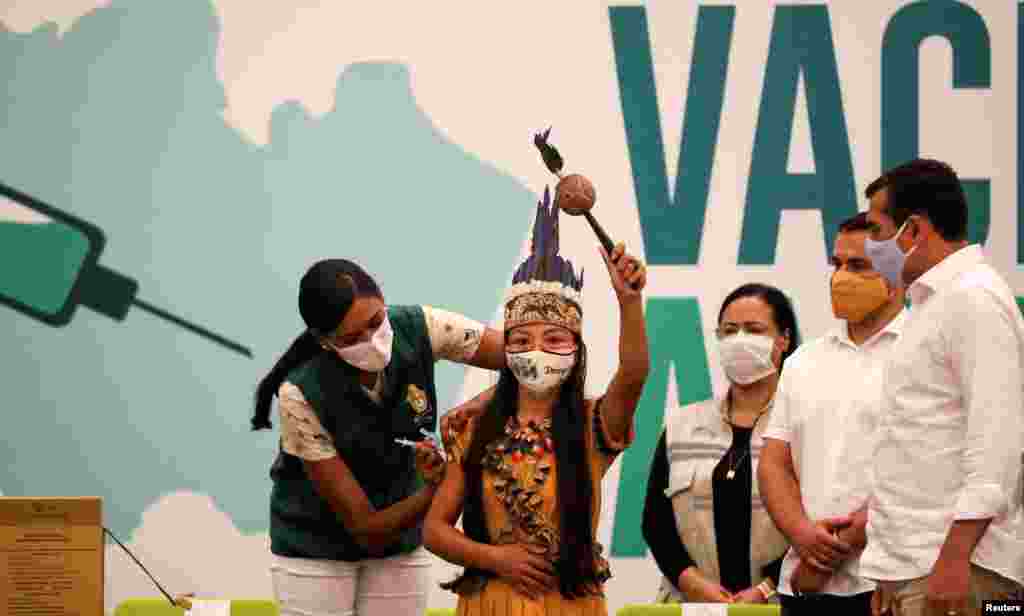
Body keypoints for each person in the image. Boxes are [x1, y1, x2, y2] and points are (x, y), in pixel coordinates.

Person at [422, 187, 649, 615]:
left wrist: (630, 302)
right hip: (489, 602)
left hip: (570, 604)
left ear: (576, 350)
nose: (536, 350)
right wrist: (496, 559)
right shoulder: (475, 429)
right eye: (521, 341)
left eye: (554, 339)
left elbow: (634, 374)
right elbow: (434, 531)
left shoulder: (593, 424)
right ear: (505, 353)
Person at [251, 258, 505, 616]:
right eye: (352, 338)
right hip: (315, 549)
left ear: (384, 302)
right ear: (324, 342)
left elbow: (525, 357)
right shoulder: (299, 392)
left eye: (375, 322)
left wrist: (478, 406)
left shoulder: (423, 326)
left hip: (401, 542)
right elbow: (365, 528)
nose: (373, 342)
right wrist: (436, 488)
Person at [859, 159, 1024, 616]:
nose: (871, 246)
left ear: (913, 231)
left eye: (877, 230)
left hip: (958, 571)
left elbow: (997, 445)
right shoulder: (930, 305)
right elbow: (915, 445)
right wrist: (889, 573)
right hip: (914, 570)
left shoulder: (975, 298)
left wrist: (954, 558)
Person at [758, 212, 907, 615]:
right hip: (806, 587)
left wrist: (846, 540)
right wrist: (803, 534)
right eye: (836, 264)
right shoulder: (804, 360)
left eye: (857, 265)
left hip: (892, 587)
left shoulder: (923, 351)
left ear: (896, 275)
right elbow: (774, 463)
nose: (840, 277)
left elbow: (925, 465)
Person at [643, 283, 799, 605]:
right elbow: (655, 521)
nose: (739, 340)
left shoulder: (803, 425)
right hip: (692, 604)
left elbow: (816, 520)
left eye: (754, 329)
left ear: (783, 339)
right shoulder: (682, 424)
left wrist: (766, 588)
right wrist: (691, 581)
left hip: (778, 604)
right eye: (729, 331)